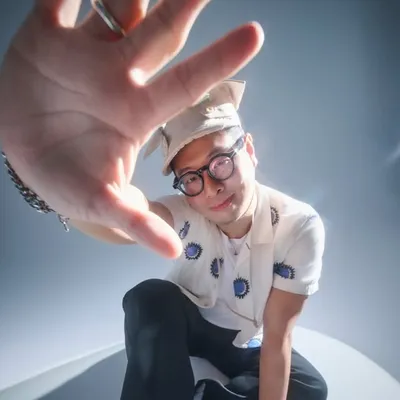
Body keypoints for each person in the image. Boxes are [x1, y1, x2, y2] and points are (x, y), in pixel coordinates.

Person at [0, 1, 327, 400]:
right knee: (149, 297)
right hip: (188, 319)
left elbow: (278, 338)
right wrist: (62, 187)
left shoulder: (298, 226)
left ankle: (210, 394)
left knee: (310, 389)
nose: (211, 188)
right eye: (191, 178)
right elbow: (128, 216)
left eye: (221, 162)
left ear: (250, 150)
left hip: (245, 341)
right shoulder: (187, 210)